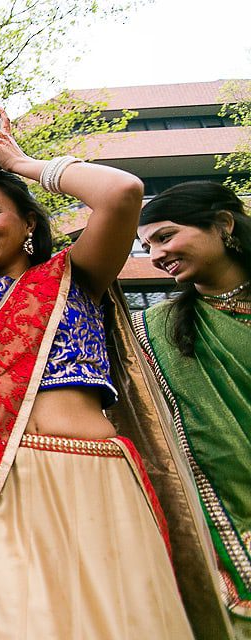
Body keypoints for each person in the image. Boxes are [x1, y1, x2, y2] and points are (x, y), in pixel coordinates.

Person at [0, 112, 194, 639]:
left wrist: (19, 162)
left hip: (89, 479)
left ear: (28, 223)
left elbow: (122, 192)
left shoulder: (77, 272)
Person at [134, 181, 251, 637]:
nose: (156, 255)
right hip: (229, 524)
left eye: (165, 237)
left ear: (223, 224)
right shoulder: (157, 330)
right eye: (147, 246)